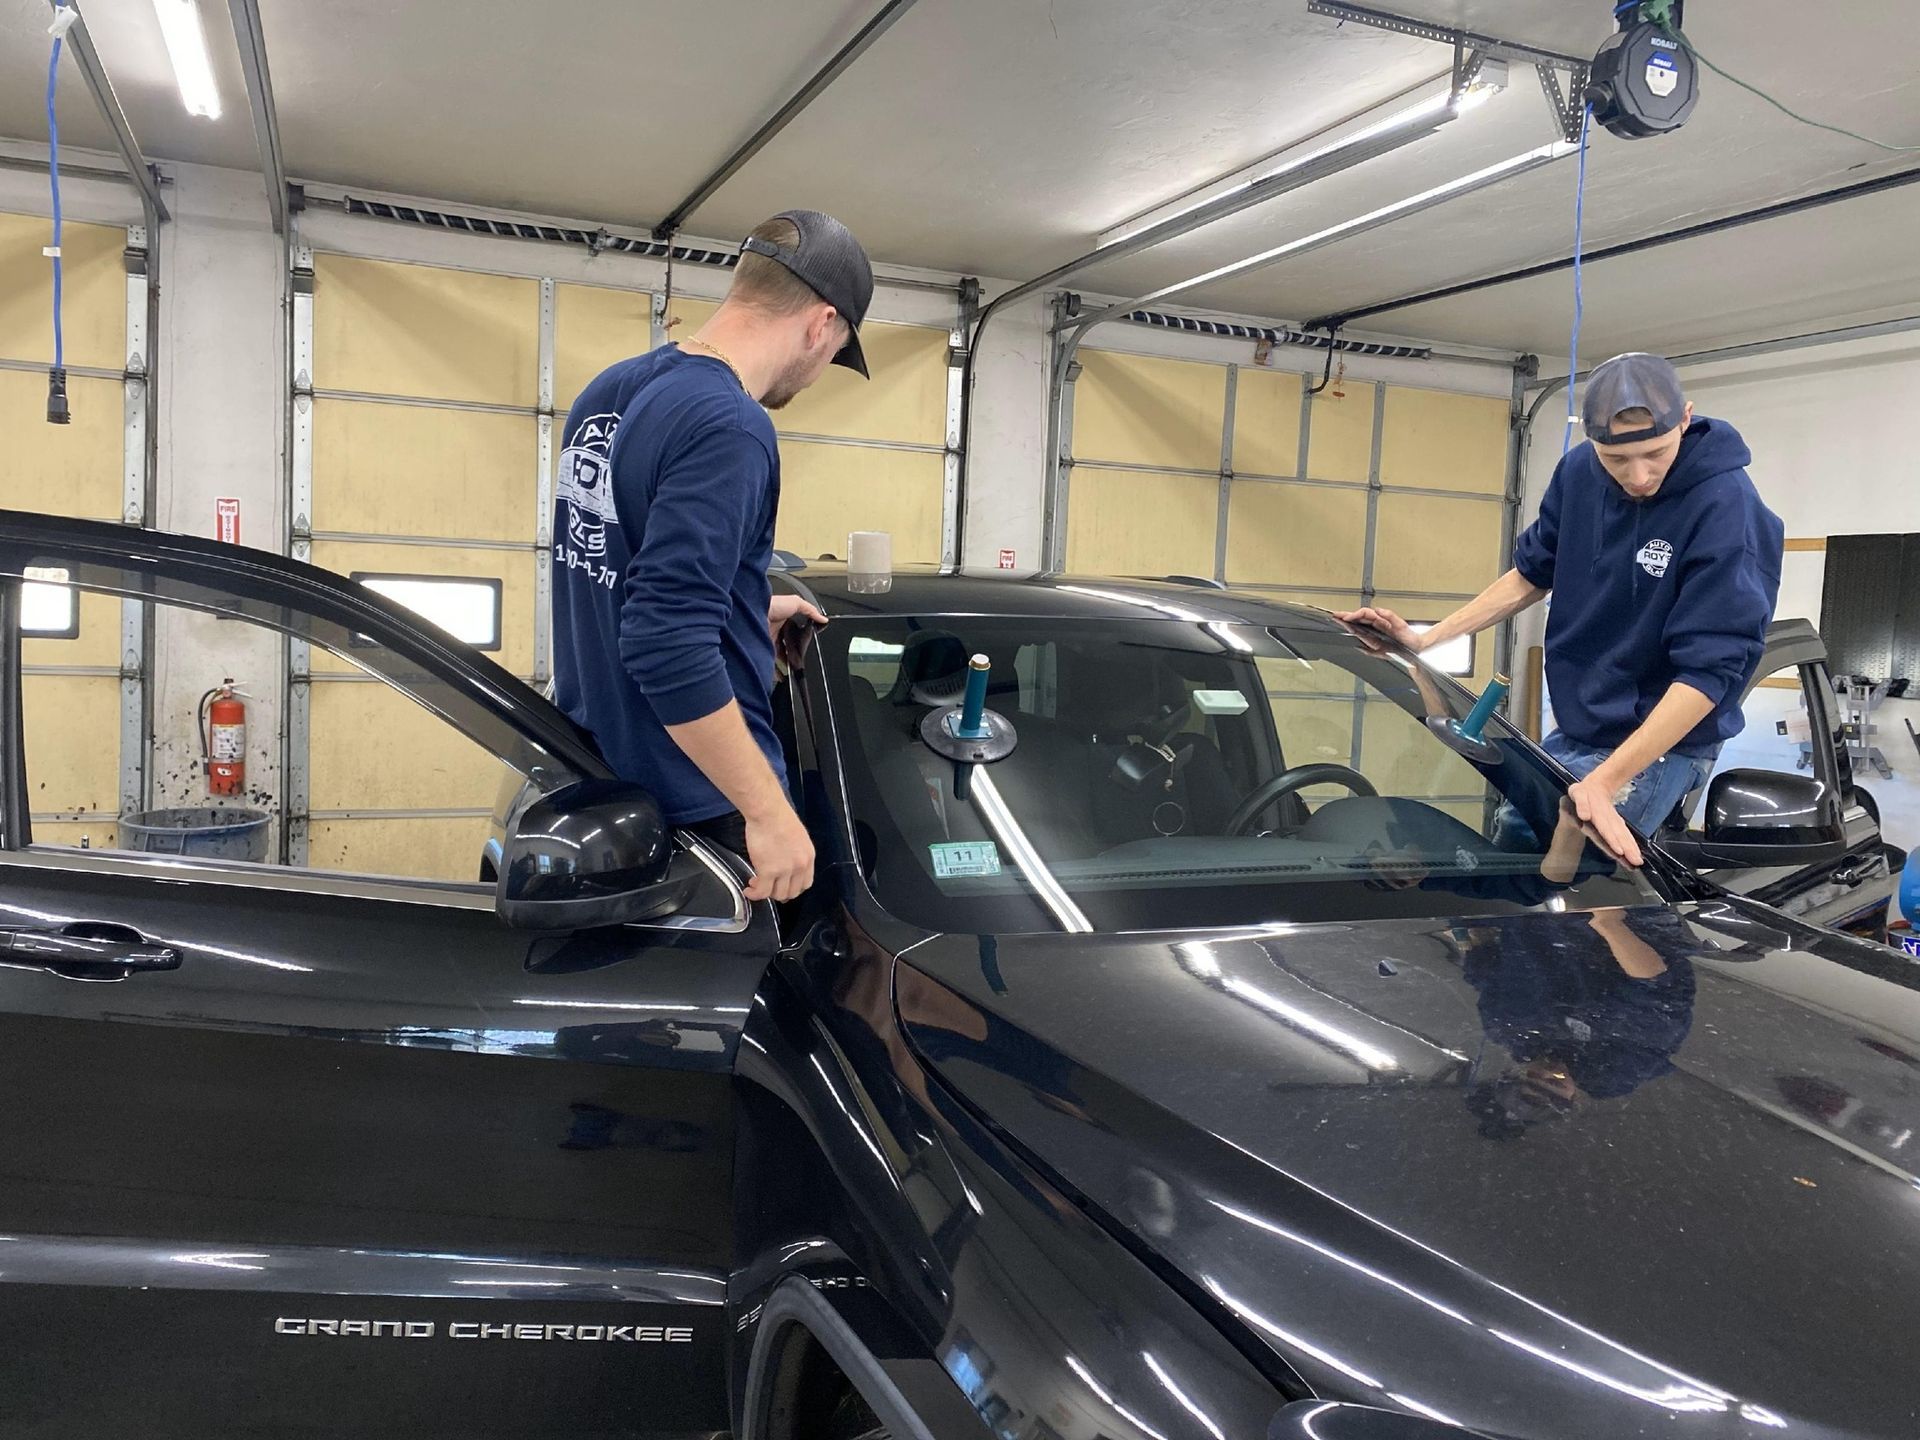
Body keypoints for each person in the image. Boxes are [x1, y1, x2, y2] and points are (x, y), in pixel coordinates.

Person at [1340, 352, 1784, 867]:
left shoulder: (1727, 508)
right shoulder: (1579, 471)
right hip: (1578, 728)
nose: (1638, 476)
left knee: (1577, 887)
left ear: (1685, 418)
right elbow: (1533, 572)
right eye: (1616, 459)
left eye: (1656, 453)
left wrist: (1607, 782)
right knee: (1515, 863)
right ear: (1591, 440)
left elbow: (1710, 672)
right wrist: (1428, 638)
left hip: (1658, 742)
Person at [550, 210, 874, 902]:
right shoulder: (731, 424)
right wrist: (767, 812)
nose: (817, 375)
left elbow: (621, 578)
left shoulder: (609, 393)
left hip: (597, 775)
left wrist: (747, 608)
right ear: (821, 324)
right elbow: (664, 639)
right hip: (697, 806)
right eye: (834, 351)